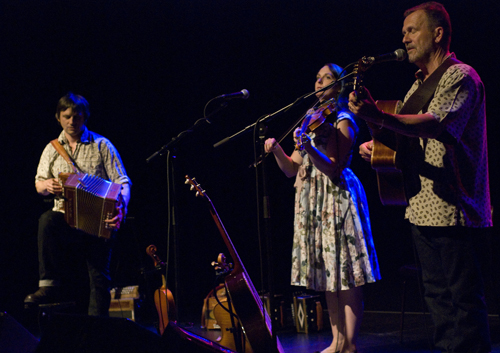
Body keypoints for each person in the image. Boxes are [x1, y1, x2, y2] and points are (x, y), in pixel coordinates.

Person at [348, 2, 492, 352]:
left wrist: (379, 118)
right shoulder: (416, 85)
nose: (405, 38)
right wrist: (376, 144)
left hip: (454, 207)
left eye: (412, 31)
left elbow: (434, 125)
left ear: (437, 33)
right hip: (420, 206)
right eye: (403, 33)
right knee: (437, 299)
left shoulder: (461, 76)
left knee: (462, 303)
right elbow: (403, 136)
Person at [264, 64, 381, 353]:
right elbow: (293, 169)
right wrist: (278, 150)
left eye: (326, 78)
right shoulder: (310, 120)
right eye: (316, 77)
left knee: (347, 273)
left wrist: (309, 146)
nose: (318, 82)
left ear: (339, 85)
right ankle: (336, 340)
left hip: (337, 198)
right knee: (329, 274)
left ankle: (349, 343)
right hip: (314, 199)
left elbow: (333, 167)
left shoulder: (343, 119)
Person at [24, 92, 131, 316]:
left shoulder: (102, 145)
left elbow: (122, 181)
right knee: (47, 220)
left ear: (86, 117)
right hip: (66, 219)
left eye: (77, 116)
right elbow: (38, 183)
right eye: (67, 116)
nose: (72, 122)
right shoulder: (51, 149)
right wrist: (47, 185)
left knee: (99, 279)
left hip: (97, 220)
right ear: (58, 117)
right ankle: (48, 286)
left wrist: (121, 208)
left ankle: (95, 333)